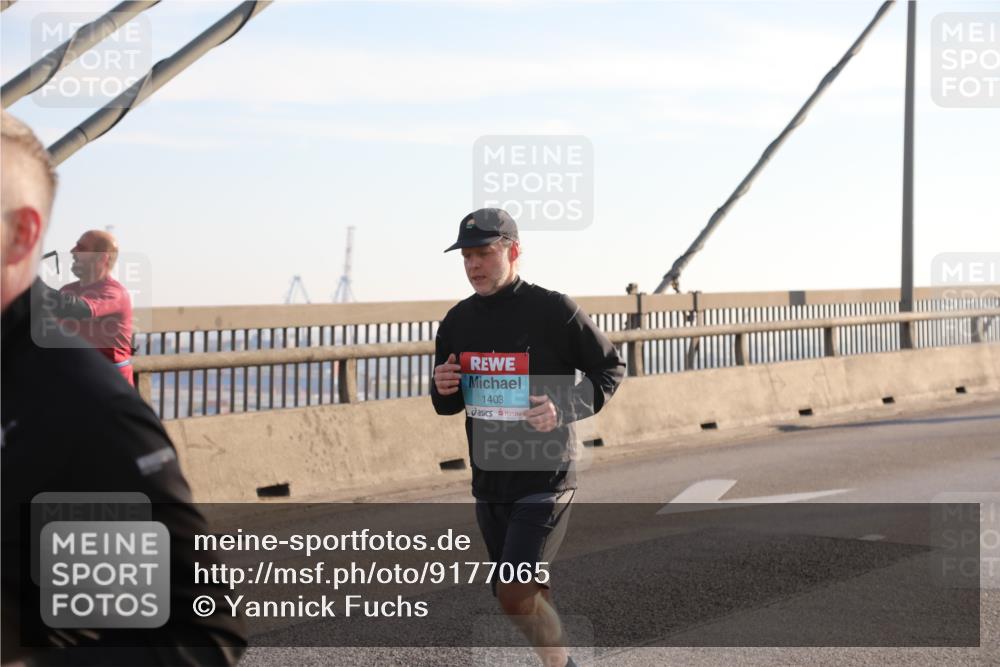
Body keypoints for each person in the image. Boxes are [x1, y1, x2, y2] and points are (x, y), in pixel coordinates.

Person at [1, 111, 245, 665]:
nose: (78, 263)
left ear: (22, 236)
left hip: (107, 396)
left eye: (84, 256)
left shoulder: (85, 411)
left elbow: (198, 636)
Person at [431, 208, 625, 667]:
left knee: (515, 590)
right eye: (466, 257)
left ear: (513, 251)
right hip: (489, 480)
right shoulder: (457, 321)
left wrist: (564, 407)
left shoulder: (553, 310)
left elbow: (609, 368)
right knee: (517, 594)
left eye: (484, 253)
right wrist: (441, 386)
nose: (474, 265)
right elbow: (447, 403)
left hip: (546, 475)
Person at [35, 228, 135, 386]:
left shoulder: (115, 293)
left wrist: (29, 282)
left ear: (101, 258)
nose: (72, 251)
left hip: (109, 390)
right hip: (77, 383)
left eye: (81, 248)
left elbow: (77, 309)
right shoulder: (67, 290)